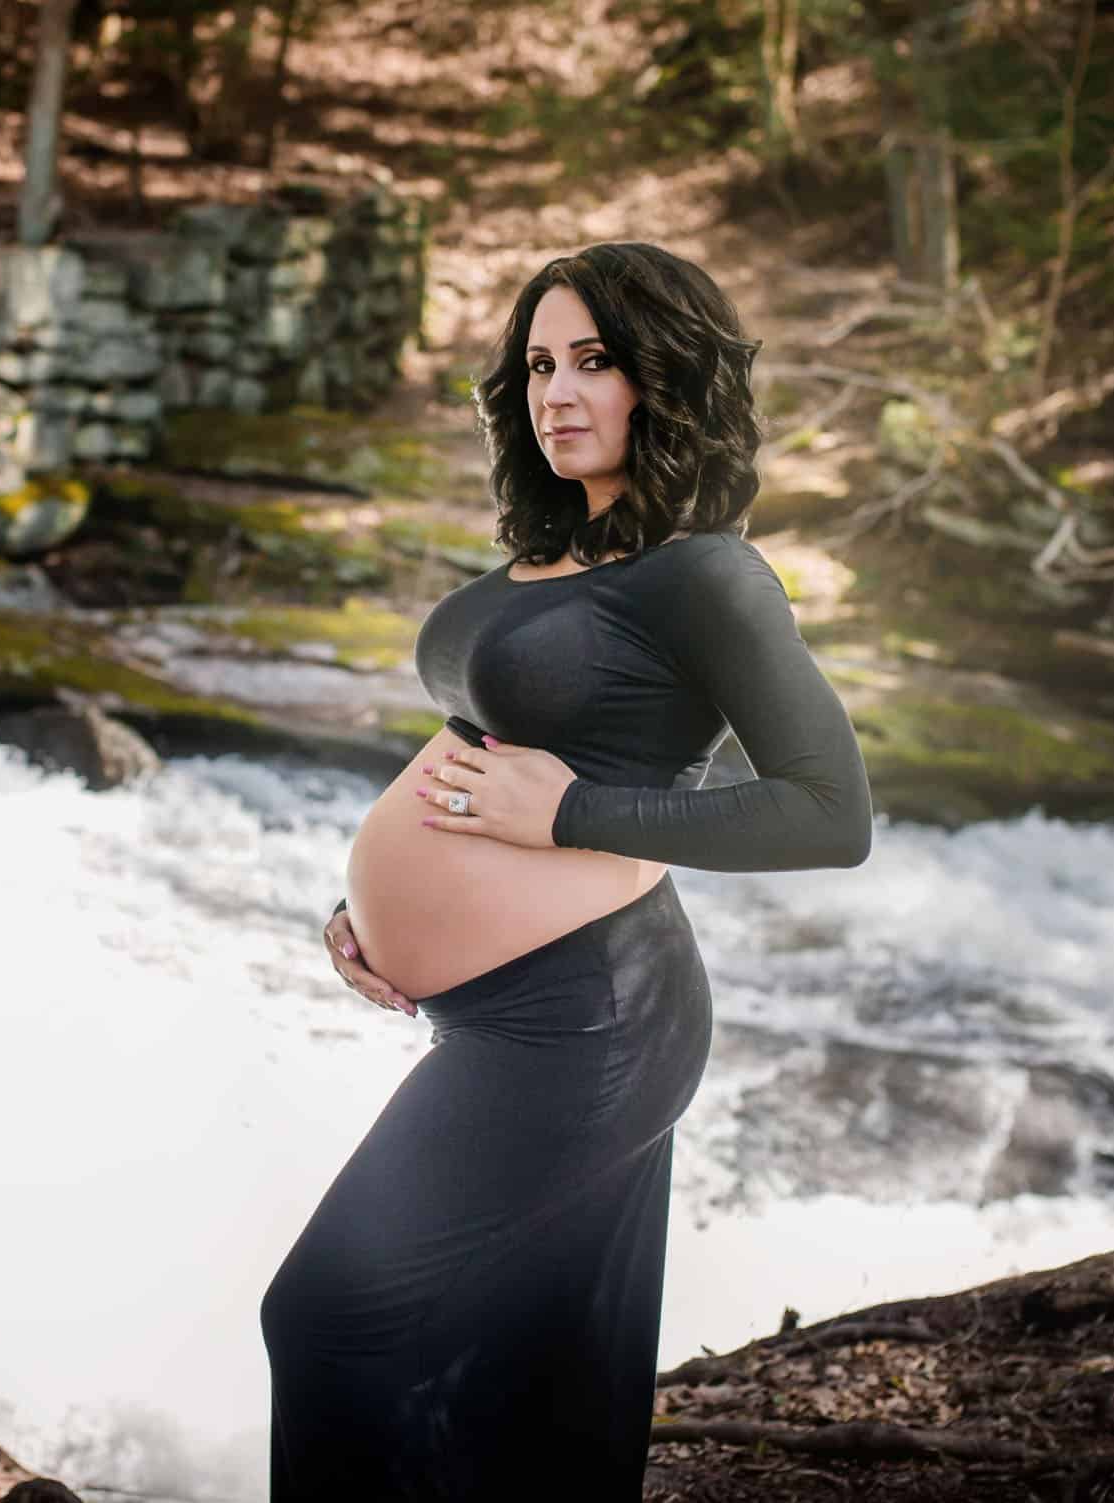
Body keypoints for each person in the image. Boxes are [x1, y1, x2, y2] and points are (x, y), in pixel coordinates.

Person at [259, 241, 874, 1500]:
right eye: (538, 363)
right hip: (496, 1007)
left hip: (587, 1015)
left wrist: (577, 813)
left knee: (332, 1320)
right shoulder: (549, 562)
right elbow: (475, 766)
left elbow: (829, 813)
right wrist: (368, 908)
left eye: (595, 360)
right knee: (527, 1387)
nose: (557, 391)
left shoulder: (704, 575)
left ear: (666, 377)